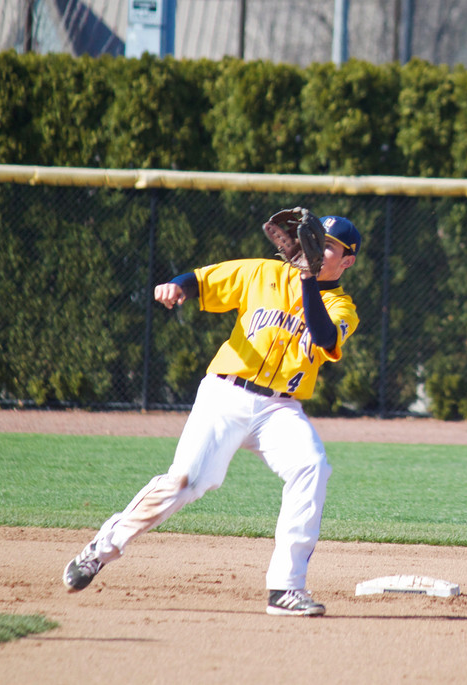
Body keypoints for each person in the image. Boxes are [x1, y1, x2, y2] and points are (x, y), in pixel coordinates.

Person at [62, 214, 362, 617]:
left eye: (327, 246)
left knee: (312, 466)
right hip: (226, 394)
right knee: (186, 482)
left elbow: (325, 336)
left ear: (347, 262)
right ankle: (100, 550)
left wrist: (308, 279)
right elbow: (202, 280)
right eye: (313, 240)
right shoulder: (262, 273)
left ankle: (285, 589)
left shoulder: (342, 307)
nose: (315, 249)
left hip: (280, 407)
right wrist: (177, 286)